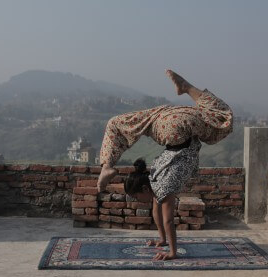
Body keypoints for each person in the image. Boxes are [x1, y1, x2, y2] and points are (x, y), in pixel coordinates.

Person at [97, 69, 233, 260]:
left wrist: (172, 252)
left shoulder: (162, 186)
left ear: (144, 188)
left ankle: (107, 165)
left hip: (176, 128)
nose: (139, 201)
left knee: (222, 120)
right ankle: (186, 87)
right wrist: (161, 240)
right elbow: (156, 210)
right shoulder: (153, 176)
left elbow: (168, 220)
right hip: (169, 116)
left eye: (137, 197)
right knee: (114, 123)